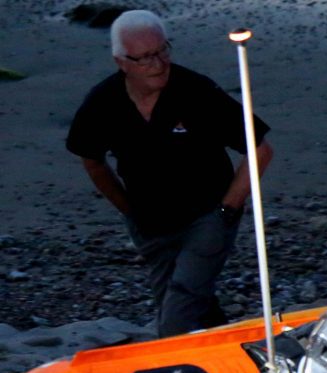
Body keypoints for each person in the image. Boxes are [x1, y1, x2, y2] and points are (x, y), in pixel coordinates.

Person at [66, 10, 275, 337]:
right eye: (145, 58)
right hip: (150, 224)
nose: (159, 63)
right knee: (186, 300)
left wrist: (227, 209)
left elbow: (260, 149)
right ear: (122, 62)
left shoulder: (197, 92)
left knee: (177, 313)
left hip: (207, 218)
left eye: (163, 50)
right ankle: (224, 346)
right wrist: (128, 210)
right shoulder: (103, 103)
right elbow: (90, 159)